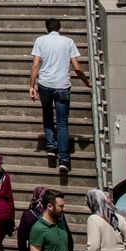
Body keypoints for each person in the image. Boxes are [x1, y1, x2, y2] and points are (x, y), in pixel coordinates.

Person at [28, 18, 88, 177]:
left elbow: (35, 65)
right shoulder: (68, 42)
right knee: (62, 123)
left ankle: (50, 146)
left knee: (47, 114)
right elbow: (77, 67)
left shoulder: (40, 41)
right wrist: (87, 82)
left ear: (46, 28)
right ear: (60, 28)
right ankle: (64, 160)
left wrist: (32, 86)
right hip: (62, 85)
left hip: (45, 84)